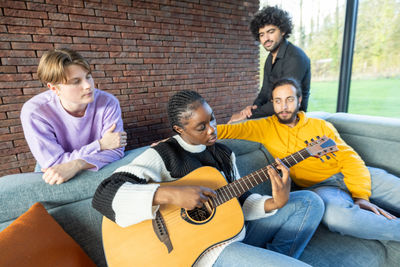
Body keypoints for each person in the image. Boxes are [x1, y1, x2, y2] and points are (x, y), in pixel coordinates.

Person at [92, 90, 324, 266]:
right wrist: (172, 194)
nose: (212, 129)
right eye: (201, 126)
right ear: (179, 129)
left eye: (212, 119)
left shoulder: (224, 153)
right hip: (204, 252)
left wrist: (276, 202)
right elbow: (105, 193)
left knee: (309, 201)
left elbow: (238, 200)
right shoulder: (164, 154)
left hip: (230, 231)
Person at [218, 78, 400, 242]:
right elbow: (222, 131)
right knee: (338, 219)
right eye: (278, 101)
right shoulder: (263, 127)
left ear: (299, 100)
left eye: (289, 99)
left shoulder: (321, 125)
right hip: (322, 189)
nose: (284, 106)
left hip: (350, 173)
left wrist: (361, 196)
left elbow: (350, 159)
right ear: (273, 103)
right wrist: (200, 129)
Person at [20, 48, 127, 185]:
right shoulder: (35, 112)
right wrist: (100, 145)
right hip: (56, 175)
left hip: (94, 166)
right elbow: (54, 163)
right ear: (54, 88)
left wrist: (79, 164)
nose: (88, 86)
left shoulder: (108, 102)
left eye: (88, 76)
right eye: (76, 81)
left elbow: (116, 151)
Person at [228, 6, 310, 123]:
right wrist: (252, 108)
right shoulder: (270, 57)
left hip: (290, 117)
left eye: (271, 32)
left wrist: (250, 116)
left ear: (282, 31)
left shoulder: (295, 58)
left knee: (236, 123)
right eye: (261, 35)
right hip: (273, 113)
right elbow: (265, 92)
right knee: (234, 122)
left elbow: (284, 102)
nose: (266, 38)